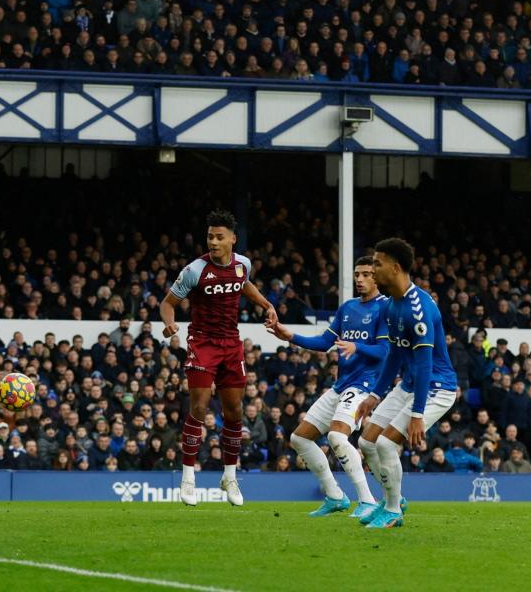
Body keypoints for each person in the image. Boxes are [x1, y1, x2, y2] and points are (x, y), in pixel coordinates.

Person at [160, 209, 277, 507]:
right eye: (210, 236)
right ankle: (188, 477)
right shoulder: (194, 270)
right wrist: (170, 322)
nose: (213, 241)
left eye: (219, 237)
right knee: (198, 406)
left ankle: (229, 476)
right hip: (202, 344)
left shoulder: (242, 265)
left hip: (231, 345)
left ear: (232, 240)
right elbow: (168, 303)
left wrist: (265, 303)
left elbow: (243, 283)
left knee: (235, 410)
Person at [267, 257, 388, 518]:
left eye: (366, 274)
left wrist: (358, 346)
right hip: (341, 385)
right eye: (357, 274)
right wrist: (290, 336)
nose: (360, 279)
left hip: (365, 385)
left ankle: (367, 500)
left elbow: (385, 351)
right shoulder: (348, 308)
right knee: (299, 438)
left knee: (336, 437)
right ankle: (335, 496)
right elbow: (325, 342)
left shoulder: (385, 308)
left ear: (378, 277)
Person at [356, 238, 458, 529]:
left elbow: (426, 364)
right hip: (410, 384)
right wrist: (375, 395)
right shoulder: (390, 306)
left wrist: (417, 416)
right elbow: (395, 356)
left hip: (436, 388)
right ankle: (394, 499)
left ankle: (392, 510)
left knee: (387, 443)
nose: (372, 270)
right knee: (366, 441)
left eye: (377, 263)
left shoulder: (418, 308)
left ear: (396, 267)